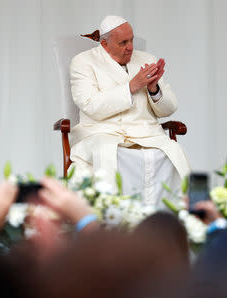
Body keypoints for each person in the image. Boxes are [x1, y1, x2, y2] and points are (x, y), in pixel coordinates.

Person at [69, 15, 190, 204]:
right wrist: (131, 87)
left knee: (173, 151)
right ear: (105, 44)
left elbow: (169, 108)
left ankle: (168, 219)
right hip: (103, 133)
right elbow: (90, 104)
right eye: (123, 42)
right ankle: (113, 220)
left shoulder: (147, 59)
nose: (131, 47)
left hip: (146, 134)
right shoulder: (83, 62)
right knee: (107, 152)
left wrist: (153, 89)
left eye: (131, 40)